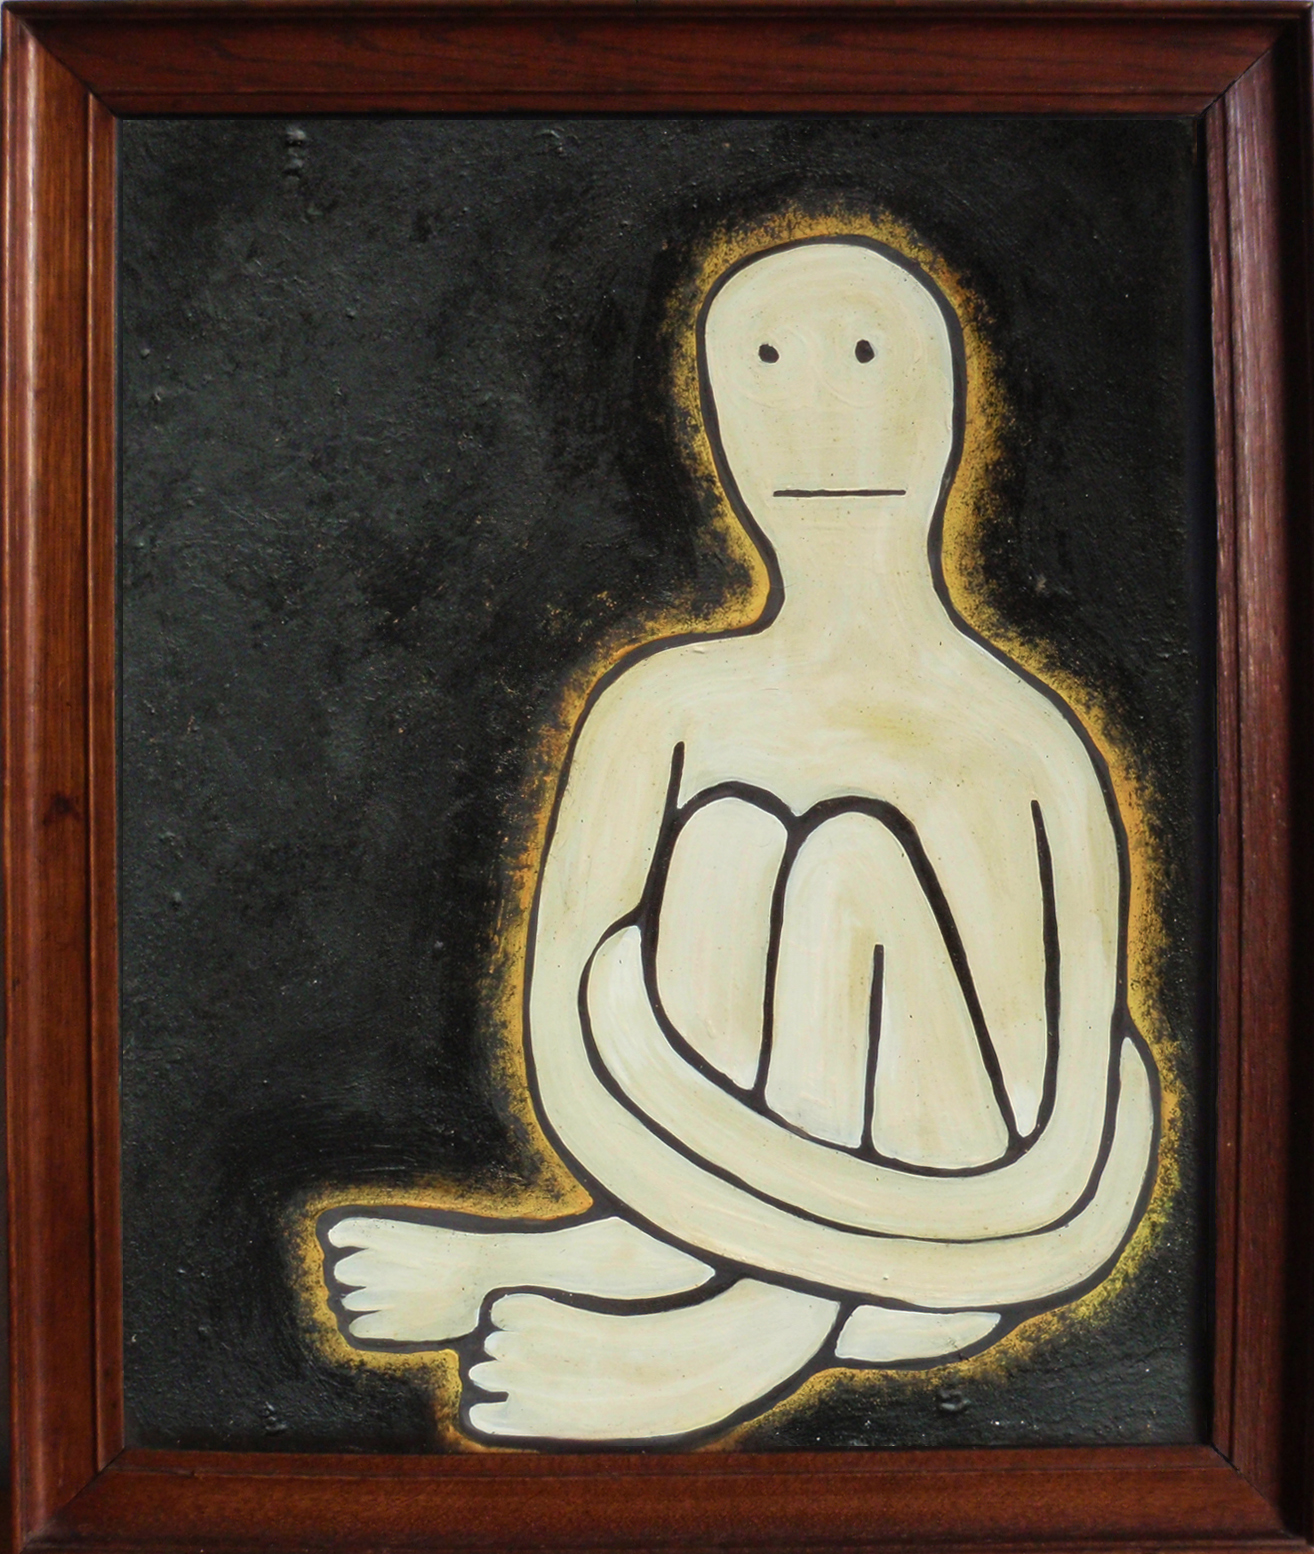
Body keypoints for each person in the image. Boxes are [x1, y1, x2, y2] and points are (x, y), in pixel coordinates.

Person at [321, 236, 1158, 1446]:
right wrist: (719, 1193)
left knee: (854, 869)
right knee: (726, 841)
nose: (818, 419)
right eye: (765, 368)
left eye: (865, 358)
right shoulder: (661, 705)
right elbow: (576, 1049)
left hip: (963, 1205)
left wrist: (758, 1270)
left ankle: (735, 1332)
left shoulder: (1026, 742)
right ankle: (685, 1274)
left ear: (944, 411)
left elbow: (1066, 1147)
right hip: (812, 1222)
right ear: (716, 427)